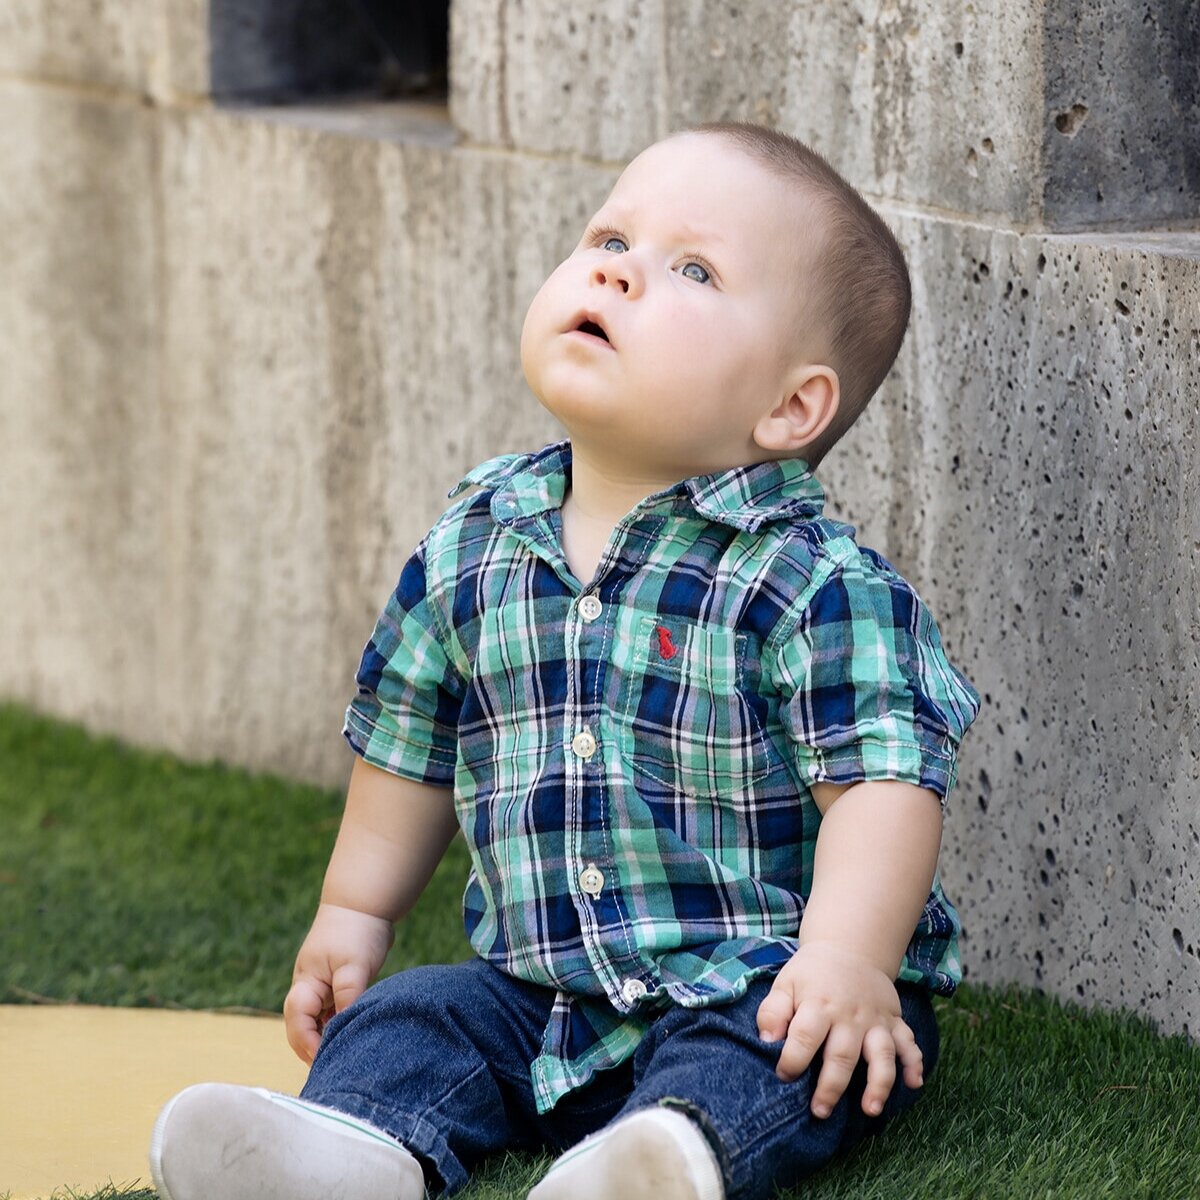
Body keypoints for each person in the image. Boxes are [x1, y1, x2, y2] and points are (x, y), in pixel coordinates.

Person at [149, 121, 980, 1200]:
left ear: (790, 407)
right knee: (417, 1015)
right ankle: (349, 1148)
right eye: (610, 236)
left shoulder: (809, 581)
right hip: (537, 994)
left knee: (776, 1059)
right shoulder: (477, 540)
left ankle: (664, 1156)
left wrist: (848, 961)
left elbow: (881, 783)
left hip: (760, 976)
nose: (616, 270)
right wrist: (352, 915)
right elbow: (409, 740)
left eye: (691, 268)